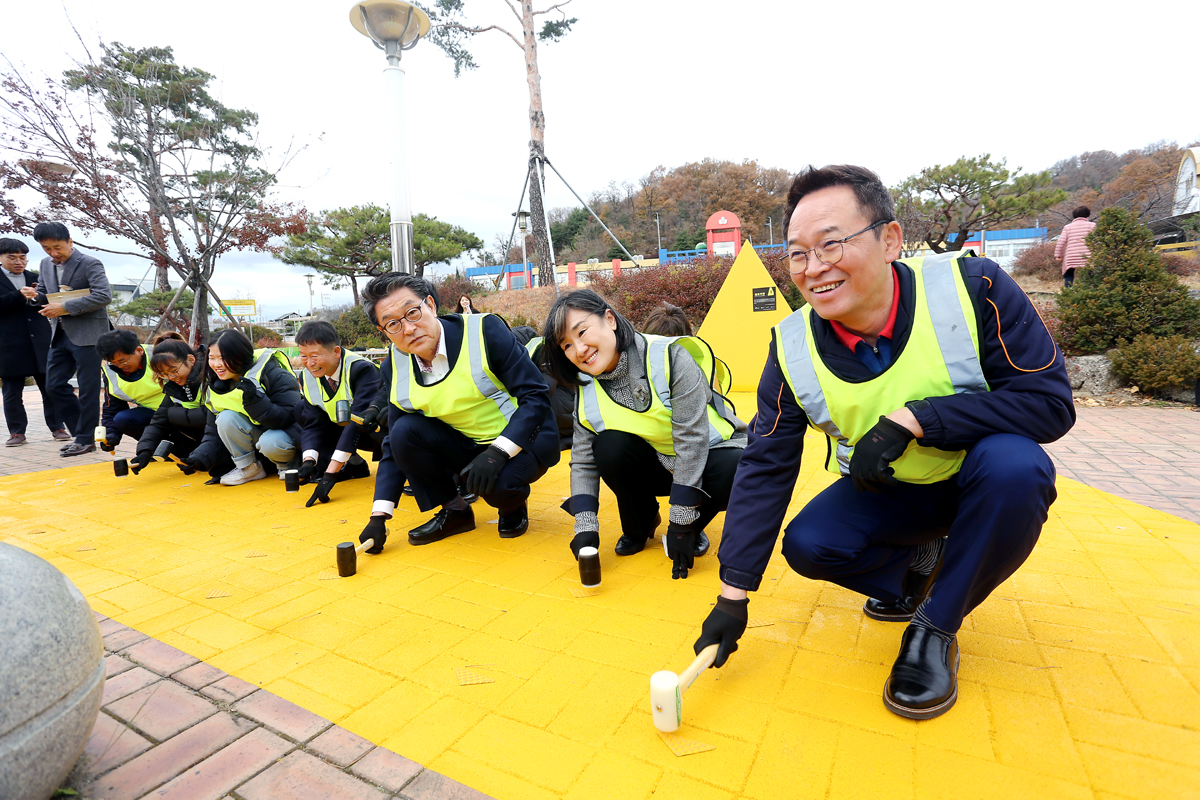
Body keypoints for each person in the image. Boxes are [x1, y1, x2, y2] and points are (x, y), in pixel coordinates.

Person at [693, 165, 1074, 720]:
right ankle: (930, 565)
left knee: (1018, 467)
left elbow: (1049, 404)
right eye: (797, 253)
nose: (812, 268)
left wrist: (915, 419)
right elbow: (766, 463)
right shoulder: (792, 345)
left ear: (890, 239)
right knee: (810, 543)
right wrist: (732, 594)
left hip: (981, 482)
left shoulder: (974, 288)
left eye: (831, 244)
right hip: (895, 493)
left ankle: (935, 628)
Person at [542, 290, 746, 579]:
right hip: (655, 460)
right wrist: (585, 527)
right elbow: (583, 460)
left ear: (609, 319)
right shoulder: (585, 385)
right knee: (609, 446)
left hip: (707, 455)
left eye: (582, 332)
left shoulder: (670, 356)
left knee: (737, 467)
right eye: (566, 345)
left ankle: (691, 529)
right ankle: (642, 524)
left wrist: (682, 519)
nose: (580, 349)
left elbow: (693, 440)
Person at [356, 273, 559, 552]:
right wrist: (379, 515)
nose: (408, 329)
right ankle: (455, 511)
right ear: (383, 331)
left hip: (520, 441)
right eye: (393, 323)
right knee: (404, 430)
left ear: (430, 304)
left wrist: (498, 453)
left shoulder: (484, 331)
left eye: (412, 312)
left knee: (501, 487)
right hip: (465, 444)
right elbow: (395, 441)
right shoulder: (395, 364)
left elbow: (535, 395)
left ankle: (512, 505)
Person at [20, 222, 112, 456]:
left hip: (89, 334)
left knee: (89, 388)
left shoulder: (90, 262)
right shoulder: (44, 265)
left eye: (57, 247)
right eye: (46, 248)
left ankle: (84, 438)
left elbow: (103, 295)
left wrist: (65, 308)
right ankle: (84, 434)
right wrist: (34, 296)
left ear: (70, 242)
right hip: (58, 334)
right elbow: (44, 293)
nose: (53, 253)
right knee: (54, 385)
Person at [183, 329, 301, 486]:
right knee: (225, 418)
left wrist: (255, 400)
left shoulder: (273, 374)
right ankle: (249, 468)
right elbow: (212, 430)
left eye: (223, 358)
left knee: (270, 440)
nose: (216, 364)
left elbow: (289, 417)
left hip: (283, 436)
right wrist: (199, 457)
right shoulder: (216, 384)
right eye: (212, 358)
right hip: (259, 437)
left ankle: (289, 466)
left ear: (239, 356)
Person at [294, 320, 382, 507]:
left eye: (315, 355)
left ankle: (409, 469)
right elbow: (313, 422)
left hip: (377, 431)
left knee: (369, 423)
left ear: (336, 352)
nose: (309, 363)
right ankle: (352, 466)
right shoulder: (308, 375)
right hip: (346, 429)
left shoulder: (361, 369)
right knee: (301, 409)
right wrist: (309, 461)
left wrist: (330, 474)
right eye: (303, 356)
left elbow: (357, 422)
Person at [0, 237, 68, 446]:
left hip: (40, 342)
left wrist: (40, 297)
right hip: (8, 344)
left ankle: (58, 427)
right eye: (12, 258)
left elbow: (49, 299)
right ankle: (17, 432)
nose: (19, 262)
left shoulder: (35, 277)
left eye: (23, 257)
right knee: (12, 392)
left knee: (50, 387)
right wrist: (19, 295)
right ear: (1, 258)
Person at [133, 334, 224, 475]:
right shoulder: (174, 386)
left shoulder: (211, 377)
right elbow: (158, 421)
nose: (170, 377)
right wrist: (145, 451)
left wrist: (174, 414)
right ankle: (195, 457)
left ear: (191, 360)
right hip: (203, 438)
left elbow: (214, 420)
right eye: (164, 374)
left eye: (174, 371)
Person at [96, 329, 166, 451]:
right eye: (114, 363)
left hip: (181, 409)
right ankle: (158, 449)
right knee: (123, 419)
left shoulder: (160, 354)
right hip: (153, 414)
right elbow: (112, 408)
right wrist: (111, 435)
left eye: (123, 361)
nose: (121, 366)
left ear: (139, 351)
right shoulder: (112, 374)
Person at [1055, 206, 1096, 288]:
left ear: (1074, 216)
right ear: (1087, 215)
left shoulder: (1067, 227)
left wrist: (1058, 255)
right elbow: (1097, 240)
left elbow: (1061, 242)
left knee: (1069, 274)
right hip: (1087, 256)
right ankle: (1086, 291)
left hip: (1071, 256)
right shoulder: (1093, 226)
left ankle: (1068, 291)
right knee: (1088, 274)